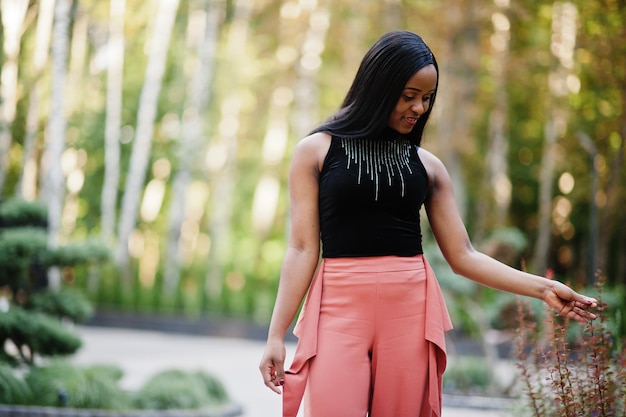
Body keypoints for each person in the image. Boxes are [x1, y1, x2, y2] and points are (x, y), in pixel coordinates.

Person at [259, 30, 597, 417]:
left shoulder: (428, 166)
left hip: (410, 309)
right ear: (378, 87)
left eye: (427, 98)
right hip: (338, 308)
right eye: (408, 96)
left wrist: (543, 288)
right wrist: (275, 335)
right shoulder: (315, 151)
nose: (419, 108)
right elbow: (302, 248)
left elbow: (464, 255)